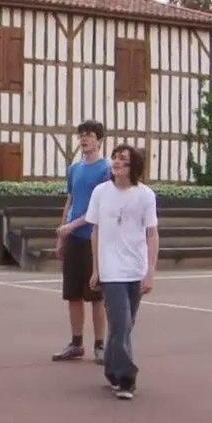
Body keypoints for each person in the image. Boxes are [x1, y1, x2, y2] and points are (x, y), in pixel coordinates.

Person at [59, 144, 159, 400]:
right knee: (121, 322)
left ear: (133, 166)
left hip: (135, 268)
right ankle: (126, 379)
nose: (116, 163)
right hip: (111, 269)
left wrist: (150, 272)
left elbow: (152, 234)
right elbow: (96, 230)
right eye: (114, 158)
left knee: (124, 326)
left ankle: (113, 371)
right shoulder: (101, 193)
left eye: (123, 160)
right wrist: (97, 269)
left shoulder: (145, 195)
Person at [51, 120, 112, 364]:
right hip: (74, 238)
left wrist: (71, 227)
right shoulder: (74, 169)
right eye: (82, 136)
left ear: (99, 140)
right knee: (73, 294)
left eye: (89, 136)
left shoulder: (106, 169)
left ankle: (100, 345)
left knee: (96, 294)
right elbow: (71, 201)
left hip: (94, 239)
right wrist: (62, 236)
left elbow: (100, 208)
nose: (84, 140)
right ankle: (76, 343)